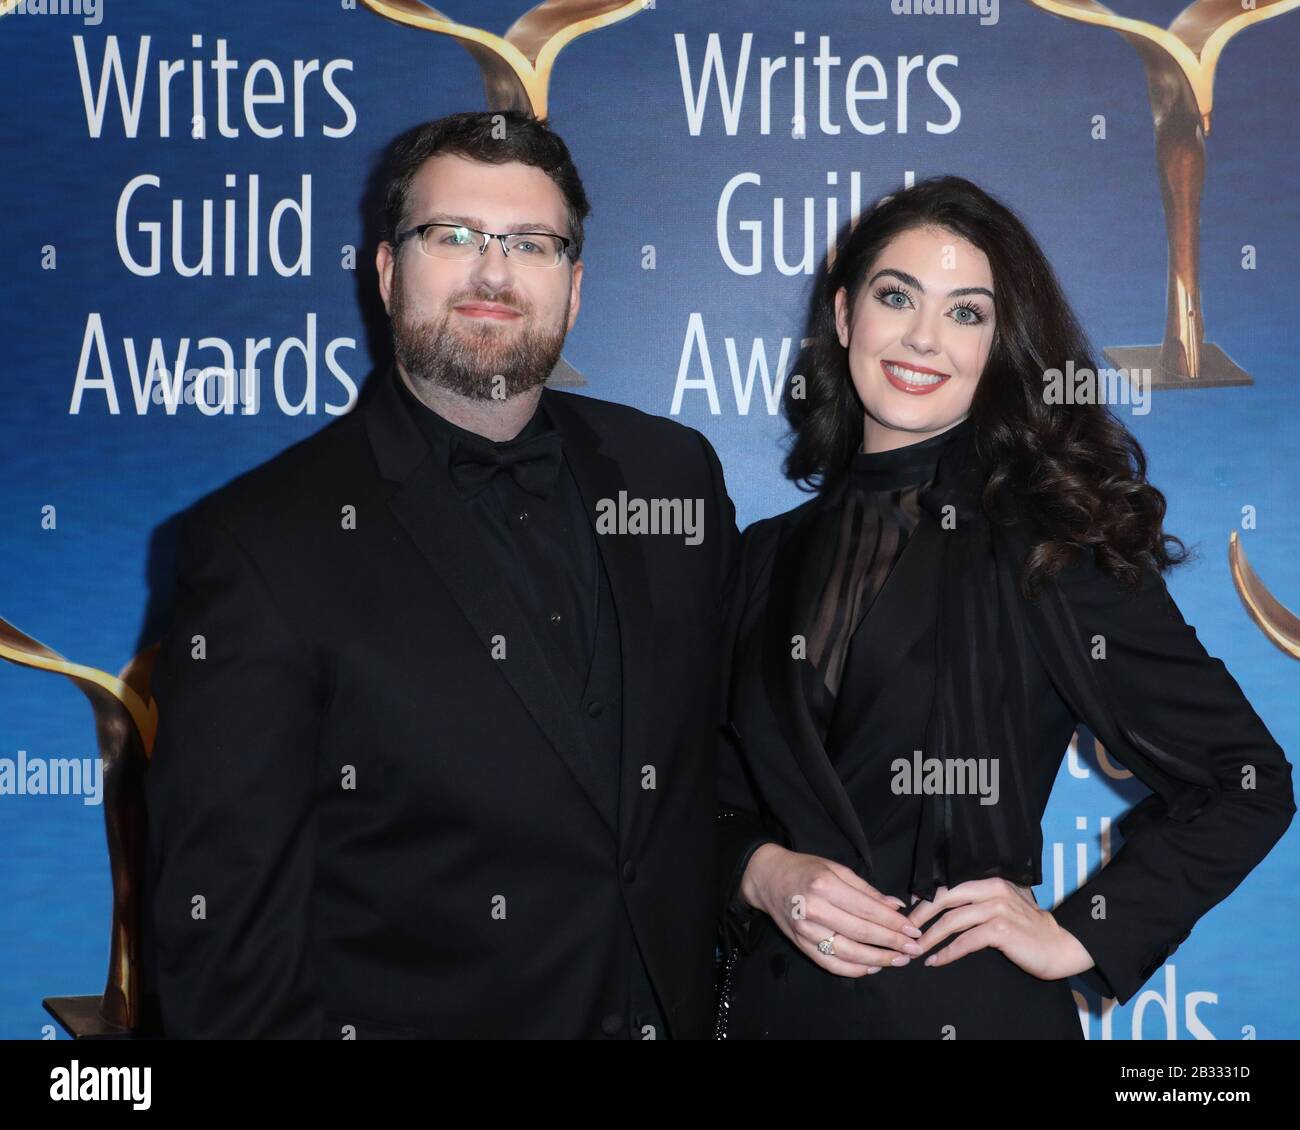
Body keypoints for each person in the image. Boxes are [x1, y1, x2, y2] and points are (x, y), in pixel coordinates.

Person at [147, 110, 738, 1039]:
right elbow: (223, 957)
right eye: (453, 235)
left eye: (531, 244)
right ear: (387, 274)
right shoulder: (259, 545)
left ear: (575, 288)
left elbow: (721, 768)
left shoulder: (675, 477)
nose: (494, 272)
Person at [714, 175, 1295, 1040]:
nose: (922, 337)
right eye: (896, 296)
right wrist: (760, 871)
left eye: (967, 313)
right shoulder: (765, 552)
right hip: (771, 1014)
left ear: (1001, 348)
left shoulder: (1048, 544)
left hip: (961, 1013)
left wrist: (1078, 933)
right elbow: (702, 792)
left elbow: (1245, 781)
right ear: (844, 318)